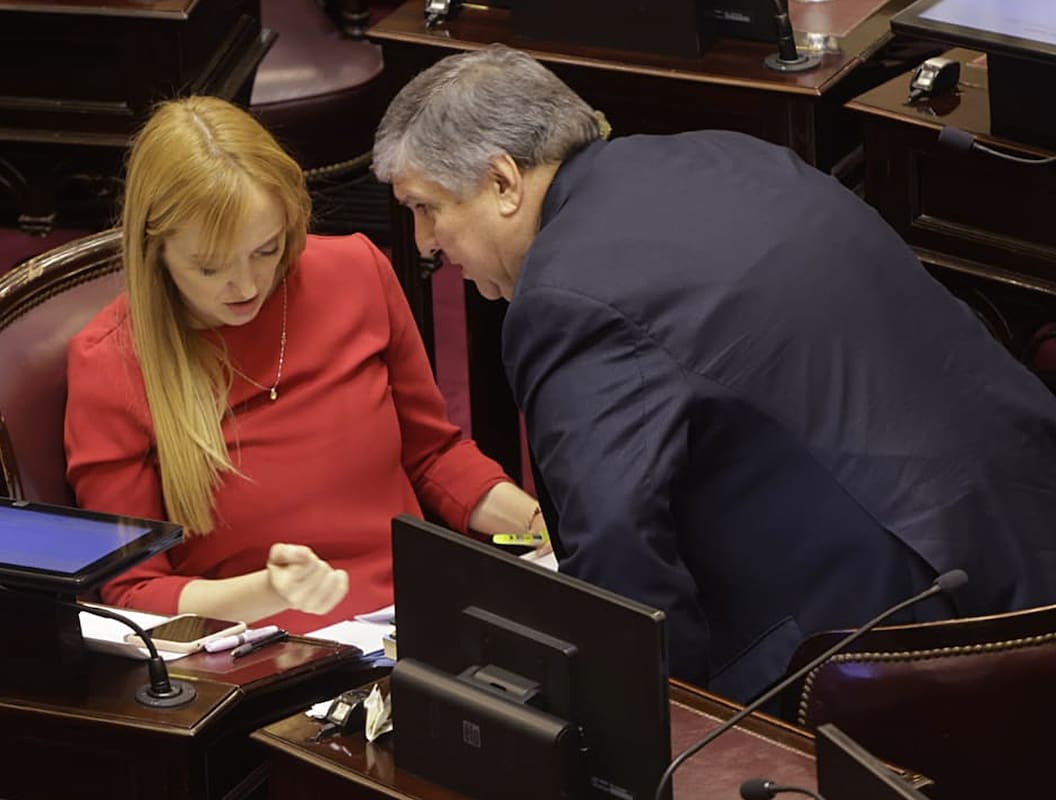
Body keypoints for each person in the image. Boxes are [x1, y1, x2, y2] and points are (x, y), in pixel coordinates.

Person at [371, 44, 1056, 704]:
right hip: (1023, 518)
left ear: (502, 181)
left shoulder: (566, 295)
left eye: (425, 208)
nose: (427, 244)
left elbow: (622, 559)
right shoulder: (731, 154)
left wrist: (656, 739)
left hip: (891, 637)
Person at [64, 95, 545, 633]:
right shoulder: (112, 362)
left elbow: (432, 455)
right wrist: (266, 592)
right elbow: (132, 589)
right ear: (156, 252)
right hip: (260, 647)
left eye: (266, 250)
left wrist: (532, 526)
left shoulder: (355, 271)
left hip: (411, 618)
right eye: (209, 267)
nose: (246, 286)